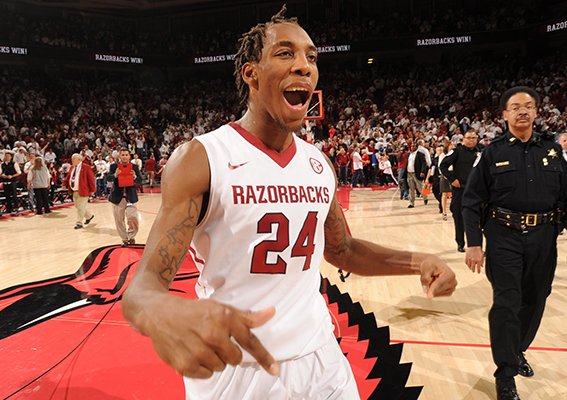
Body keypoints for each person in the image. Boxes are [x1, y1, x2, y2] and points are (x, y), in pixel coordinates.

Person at [122, 7, 457, 400]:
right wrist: (159, 311)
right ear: (251, 73)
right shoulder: (203, 159)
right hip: (239, 367)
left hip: (320, 355)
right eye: (285, 53)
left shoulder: (318, 164)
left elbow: (343, 250)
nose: (303, 66)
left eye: (311, 57)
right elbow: (142, 289)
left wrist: (419, 262)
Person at [463, 87, 567, 400]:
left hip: (544, 237)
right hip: (503, 236)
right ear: (504, 114)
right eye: (515, 107)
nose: (523, 111)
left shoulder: (552, 150)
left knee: (536, 298)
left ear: (537, 112)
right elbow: (471, 200)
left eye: (529, 106)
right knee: (507, 302)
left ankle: (516, 348)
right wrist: (473, 244)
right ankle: (505, 373)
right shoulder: (493, 152)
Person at [440, 128, 480, 252]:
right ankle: (460, 243)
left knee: (477, 219)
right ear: (463, 139)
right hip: (460, 190)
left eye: (473, 138)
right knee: (459, 217)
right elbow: (443, 165)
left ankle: (476, 245)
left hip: (476, 191)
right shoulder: (456, 151)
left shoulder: (481, 152)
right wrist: (452, 179)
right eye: (468, 138)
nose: (471, 140)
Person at [109, 149, 143, 246]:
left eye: (126, 155)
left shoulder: (134, 167)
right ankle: (124, 239)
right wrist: (115, 174)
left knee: (133, 218)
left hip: (130, 196)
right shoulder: (114, 166)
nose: (124, 156)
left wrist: (135, 176)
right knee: (119, 220)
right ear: (119, 156)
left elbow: (140, 180)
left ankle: (131, 236)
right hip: (117, 197)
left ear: (129, 156)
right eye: (122, 154)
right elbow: (108, 178)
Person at [64, 153, 95, 229]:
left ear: (79, 160)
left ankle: (79, 223)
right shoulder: (72, 167)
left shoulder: (86, 167)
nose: (72, 160)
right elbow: (69, 177)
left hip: (83, 190)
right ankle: (89, 216)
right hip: (74, 191)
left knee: (81, 207)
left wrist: (92, 190)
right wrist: (64, 183)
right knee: (78, 206)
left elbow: (91, 179)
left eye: (73, 159)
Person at [406, 141, 428, 208]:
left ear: (416, 147)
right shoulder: (409, 154)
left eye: (413, 146)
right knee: (411, 189)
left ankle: (425, 197)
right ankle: (411, 203)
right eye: (411, 146)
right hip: (409, 173)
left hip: (417, 173)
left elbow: (424, 164)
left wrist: (422, 172)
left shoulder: (420, 154)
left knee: (421, 188)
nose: (412, 147)